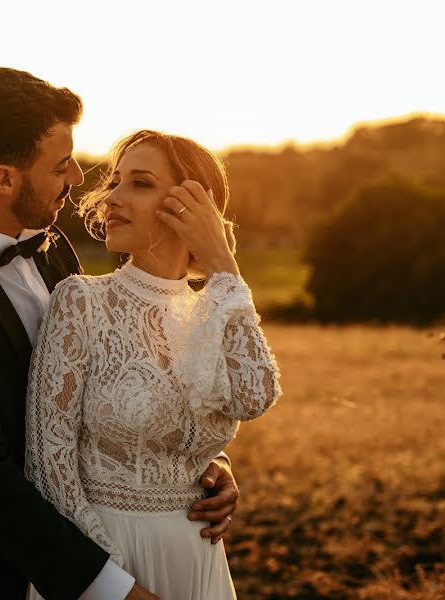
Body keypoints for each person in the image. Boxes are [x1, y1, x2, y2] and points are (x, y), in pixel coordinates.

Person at [0, 68, 241, 600]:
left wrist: (196, 466)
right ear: (5, 179)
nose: (78, 176)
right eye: (60, 165)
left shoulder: (52, 247)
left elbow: (118, 382)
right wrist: (114, 592)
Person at [24, 130, 282, 599]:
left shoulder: (217, 309)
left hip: (198, 561)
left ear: (193, 208)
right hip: (110, 564)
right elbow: (50, 466)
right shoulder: (82, 302)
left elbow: (256, 395)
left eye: (139, 183)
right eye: (116, 181)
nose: (112, 198)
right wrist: (114, 584)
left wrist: (224, 262)